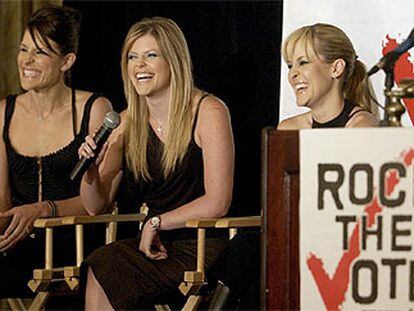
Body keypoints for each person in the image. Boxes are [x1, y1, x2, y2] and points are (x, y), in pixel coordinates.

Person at [78, 17, 234, 309]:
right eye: (132, 57)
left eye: (151, 56)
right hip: (153, 245)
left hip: (201, 244)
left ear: (173, 61)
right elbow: (94, 206)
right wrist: (90, 172)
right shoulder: (125, 123)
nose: (139, 66)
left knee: (108, 266)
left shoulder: (208, 111)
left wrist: (158, 222)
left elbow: (218, 201)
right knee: (100, 263)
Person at [0, 5, 112, 298]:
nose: (27, 61)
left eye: (40, 53)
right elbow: (2, 200)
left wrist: (42, 209)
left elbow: (101, 202)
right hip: (17, 244)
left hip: (75, 244)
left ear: (67, 61)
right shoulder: (4, 112)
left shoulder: (95, 109)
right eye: (24, 49)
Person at [278, 23, 378, 129]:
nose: (292, 74)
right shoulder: (288, 129)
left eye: (303, 63)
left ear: (336, 68)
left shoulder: (363, 127)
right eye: (290, 66)